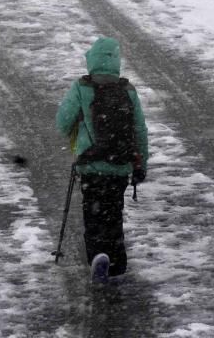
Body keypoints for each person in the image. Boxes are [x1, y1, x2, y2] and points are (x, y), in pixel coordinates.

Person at [55, 37, 149, 278]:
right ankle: (116, 263)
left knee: (93, 213)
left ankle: (98, 255)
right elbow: (139, 130)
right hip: (120, 165)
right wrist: (141, 164)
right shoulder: (127, 90)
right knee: (114, 214)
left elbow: (62, 123)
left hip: (91, 166)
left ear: (91, 60)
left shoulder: (82, 87)